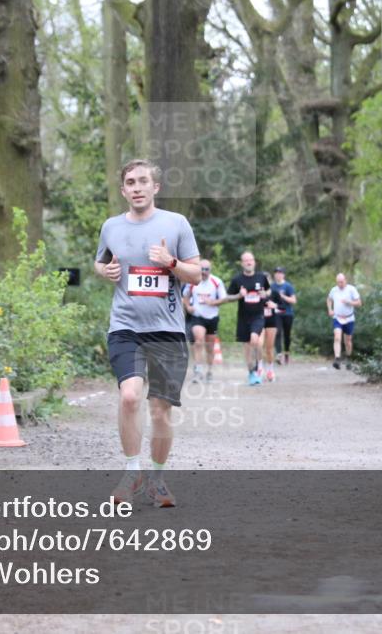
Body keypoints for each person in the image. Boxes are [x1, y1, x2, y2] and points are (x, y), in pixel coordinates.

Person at [95, 159, 201, 507]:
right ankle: (131, 472)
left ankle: (156, 480)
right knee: (129, 397)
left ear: (155, 187)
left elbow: (196, 275)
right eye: (130, 182)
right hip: (125, 328)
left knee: (160, 410)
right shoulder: (110, 227)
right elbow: (100, 261)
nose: (137, 187)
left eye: (143, 181)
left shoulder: (176, 224)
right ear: (123, 190)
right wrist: (105, 271)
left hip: (167, 331)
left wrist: (170, 262)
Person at [217, 251, 275, 386]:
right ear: (242, 263)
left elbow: (269, 291)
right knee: (247, 347)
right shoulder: (237, 280)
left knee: (255, 340)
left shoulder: (261, 277)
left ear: (254, 262)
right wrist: (239, 295)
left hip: (258, 316)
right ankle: (252, 372)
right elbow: (227, 297)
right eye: (246, 260)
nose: (249, 262)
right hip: (243, 318)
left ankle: (257, 367)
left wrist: (264, 293)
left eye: (251, 260)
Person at [182, 259, 226, 383]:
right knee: (198, 340)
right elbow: (185, 295)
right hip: (197, 316)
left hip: (212, 317)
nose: (204, 272)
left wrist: (213, 302)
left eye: (207, 269)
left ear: (210, 270)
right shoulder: (193, 282)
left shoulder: (217, 282)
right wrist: (188, 306)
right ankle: (198, 371)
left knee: (210, 347)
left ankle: (210, 371)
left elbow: (224, 299)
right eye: (202, 269)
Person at [327, 273, 361, 370]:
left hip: (349, 318)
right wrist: (330, 309)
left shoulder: (351, 289)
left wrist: (349, 302)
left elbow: (359, 303)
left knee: (348, 341)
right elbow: (329, 299)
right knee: (337, 337)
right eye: (338, 282)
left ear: (345, 280)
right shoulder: (334, 290)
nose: (340, 284)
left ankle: (348, 358)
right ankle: (337, 359)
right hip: (337, 317)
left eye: (341, 282)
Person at [271, 266, 297, 365]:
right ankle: (279, 354)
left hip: (288, 313)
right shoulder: (272, 286)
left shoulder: (288, 286)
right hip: (276, 313)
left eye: (280, 273)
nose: (278, 274)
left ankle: (286, 353)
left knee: (287, 335)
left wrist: (282, 296)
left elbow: (294, 300)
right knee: (277, 332)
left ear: (283, 275)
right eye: (276, 272)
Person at [260, 270, 278, 382]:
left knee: (269, 348)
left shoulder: (275, 293)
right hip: (259, 321)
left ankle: (270, 370)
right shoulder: (256, 293)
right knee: (259, 345)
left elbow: (284, 308)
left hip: (271, 322)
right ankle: (259, 368)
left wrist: (275, 305)